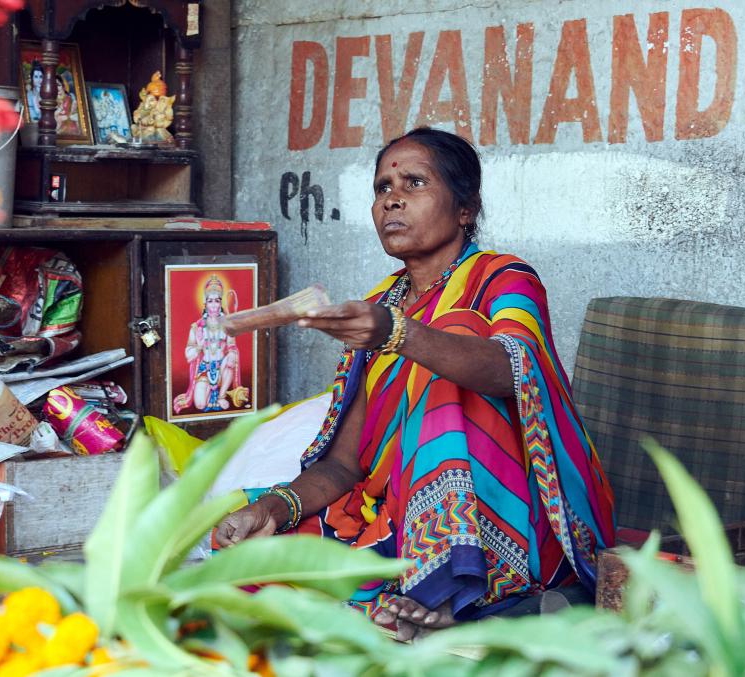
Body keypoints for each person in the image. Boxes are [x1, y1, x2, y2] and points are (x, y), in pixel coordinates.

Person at [215, 127, 615, 640]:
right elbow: (344, 464)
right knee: (246, 564)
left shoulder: (505, 278)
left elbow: (508, 370)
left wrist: (397, 334)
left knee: (458, 346)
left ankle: (449, 585)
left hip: (517, 517)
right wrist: (272, 507)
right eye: (382, 187)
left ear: (465, 208)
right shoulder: (381, 303)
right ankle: (415, 595)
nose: (392, 200)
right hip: (399, 514)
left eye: (414, 183)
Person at [173, 276, 242, 413]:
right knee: (199, 404)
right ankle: (210, 391)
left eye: (217, 301)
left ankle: (221, 395)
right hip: (205, 369)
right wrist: (199, 346)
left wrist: (233, 354)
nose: (214, 305)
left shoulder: (226, 324)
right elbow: (189, 352)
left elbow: (232, 346)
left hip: (222, 367)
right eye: (210, 301)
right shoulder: (197, 327)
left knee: (230, 358)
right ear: (205, 303)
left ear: (221, 303)